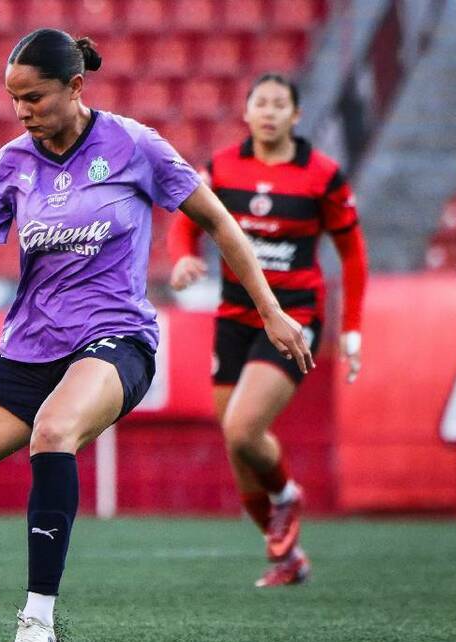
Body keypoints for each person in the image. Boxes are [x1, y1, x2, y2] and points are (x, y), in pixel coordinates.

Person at [0, 29, 312, 642]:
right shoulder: (11, 163)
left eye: (34, 97)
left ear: (75, 87)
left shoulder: (135, 145)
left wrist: (271, 310)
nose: (22, 111)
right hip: (30, 349)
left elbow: (219, 224)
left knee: (55, 429)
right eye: (14, 99)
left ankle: (37, 620)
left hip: (116, 341)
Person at [168, 73, 368, 588]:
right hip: (235, 315)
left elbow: (352, 254)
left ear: (296, 116)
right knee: (238, 449)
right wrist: (185, 257)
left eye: (281, 104)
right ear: (248, 112)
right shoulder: (224, 166)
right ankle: (288, 558)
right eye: (262, 102)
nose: (271, 112)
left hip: (295, 315)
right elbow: (185, 219)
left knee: (242, 428)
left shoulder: (321, 175)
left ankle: (286, 496)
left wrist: (352, 329)